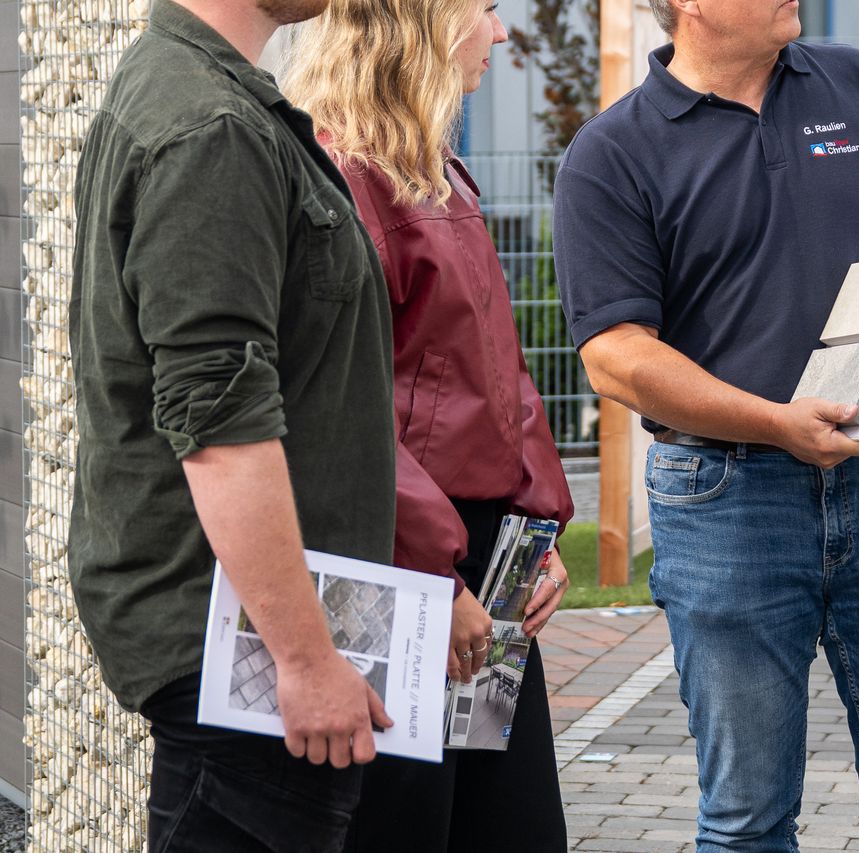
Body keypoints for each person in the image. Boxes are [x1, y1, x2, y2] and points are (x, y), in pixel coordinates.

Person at [553, 0, 859, 850]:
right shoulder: (610, 155)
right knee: (748, 822)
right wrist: (774, 422)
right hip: (726, 503)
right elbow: (614, 356)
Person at [67, 0, 423, 848]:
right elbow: (221, 428)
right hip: (237, 661)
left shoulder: (206, 97)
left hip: (241, 643)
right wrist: (303, 658)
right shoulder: (210, 128)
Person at [281, 1, 575, 849]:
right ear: (426, 23)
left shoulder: (436, 168)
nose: (502, 30)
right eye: (485, 9)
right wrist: (433, 582)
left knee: (508, 824)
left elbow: (499, 368)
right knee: (409, 825)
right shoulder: (343, 174)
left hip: (482, 562)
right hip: (403, 565)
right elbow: (341, 407)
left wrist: (537, 531)